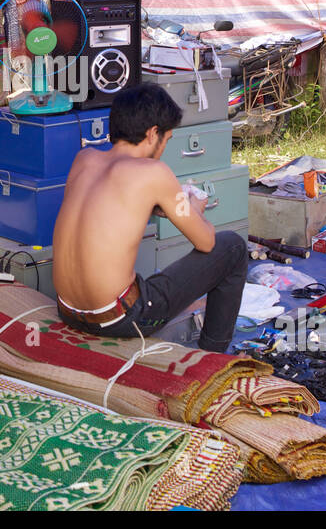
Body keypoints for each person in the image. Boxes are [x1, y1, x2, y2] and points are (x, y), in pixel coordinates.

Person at [52, 83, 248, 353]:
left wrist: (158, 206)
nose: (164, 147)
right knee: (233, 247)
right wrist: (196, 209)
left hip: (68, 310)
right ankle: (212, 359)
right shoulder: (154, 171)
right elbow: (205, 242)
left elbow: (106, 210)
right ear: (153, 133)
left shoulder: (84, 159)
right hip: (119, 319)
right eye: (166, 140)